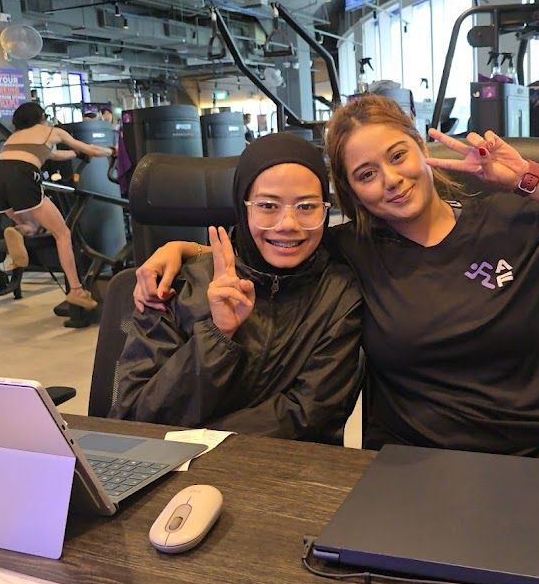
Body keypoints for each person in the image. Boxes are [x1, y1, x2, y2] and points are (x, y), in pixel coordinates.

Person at [134, 96, 539, 463]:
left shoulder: (511, 222)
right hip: (416, 464)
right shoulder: (353, 250)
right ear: (352, 193)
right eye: (366, 175)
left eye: (398, 156)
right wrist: (183, 250)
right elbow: (280, 242)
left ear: (421, 149)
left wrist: (527, 179)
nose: (391, 180)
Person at [111, 133, 362, 440]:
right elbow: (135, 417)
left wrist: (206, 441)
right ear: (243, 208)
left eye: (306, 206)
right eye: (267, 205)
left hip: (275, 465)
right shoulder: (178, 285)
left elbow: (308, 414)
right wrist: (216, 337)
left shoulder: (338, 294)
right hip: (172, 462)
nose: (288, 224)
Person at [0, 101, 113, 310]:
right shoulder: (51, 131)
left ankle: (19, 230)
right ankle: (76, 291)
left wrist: (75, 154)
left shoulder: (13, 138)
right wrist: (112, 151)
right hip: (23, 176)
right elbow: (91, 149)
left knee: (32, 225)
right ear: (41, 118)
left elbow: (52, 155)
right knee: (62, 233)